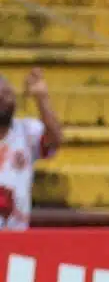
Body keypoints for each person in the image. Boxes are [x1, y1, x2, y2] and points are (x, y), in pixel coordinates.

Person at [0, 69, 62, 230]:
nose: (5, 100)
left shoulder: (26, 130)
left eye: (8, 93)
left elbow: (55, 140)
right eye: (1, 97)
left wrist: (42, 99)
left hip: (17, 239)